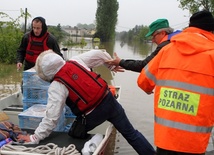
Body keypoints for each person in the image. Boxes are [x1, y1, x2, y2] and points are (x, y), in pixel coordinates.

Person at [17, 49, 156, 155]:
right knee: (131, 134)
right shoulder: (75, 60)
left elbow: (52, 118)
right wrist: (111, 66)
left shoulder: (57, 86)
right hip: (109, 101)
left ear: (46, 73)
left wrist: (35, 137)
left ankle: (89, 145)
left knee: (74, 134)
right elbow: (99, 53)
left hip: (93, 113)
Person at [137, 10, 214, 155]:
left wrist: (150, 88)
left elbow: (143, 81)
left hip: (165, 139)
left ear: (190, 28)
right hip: (195, 144)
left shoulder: (167, 50)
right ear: (211, 31)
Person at [106, 18, 181, 72]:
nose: (152, 40)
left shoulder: (165, 46)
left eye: (154, 36)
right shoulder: (177, 41)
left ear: (162, 33)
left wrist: (120, 62)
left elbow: (144, 66)